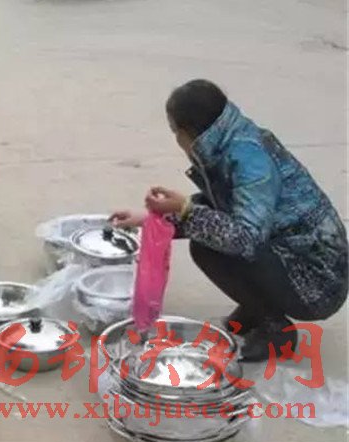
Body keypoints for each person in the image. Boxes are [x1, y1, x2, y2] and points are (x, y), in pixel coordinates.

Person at [111, 79, 348, 362]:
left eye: (175, 131)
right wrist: (153, 218)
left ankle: (276, 330)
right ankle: (256, 307)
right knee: (208, 238)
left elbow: (245, 238)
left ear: (185, 133)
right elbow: (222, 209)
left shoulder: (250, 159)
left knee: (206, 247)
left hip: (318, 281)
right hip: (290, 250)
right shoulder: (229, 140)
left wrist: (186, 208)